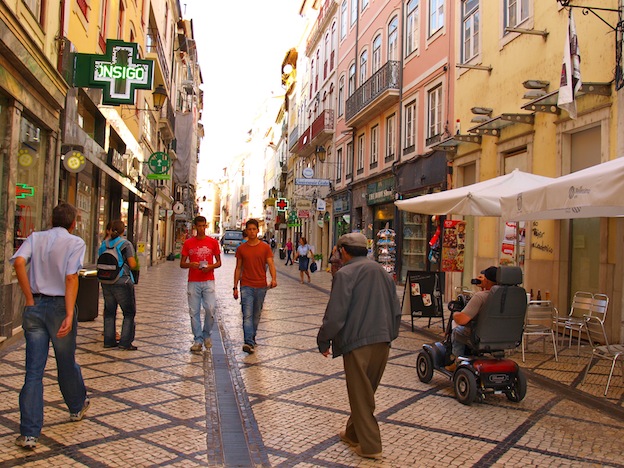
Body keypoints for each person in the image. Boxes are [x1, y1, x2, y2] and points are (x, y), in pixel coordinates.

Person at [10, 203, 90, 450]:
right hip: (58, 307)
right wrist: (68, 312)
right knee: (65, 361)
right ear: (73, 223)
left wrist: (29, 297)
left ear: (51, 219)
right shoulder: (75, 242)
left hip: (35, 308)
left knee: (33, 370)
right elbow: (71, 277)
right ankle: (76, 407)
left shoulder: (36, 237)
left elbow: (19, 262)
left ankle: (29, 433)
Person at [317, 233, 401, 460]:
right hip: (382, 340)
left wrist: (324, 339)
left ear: (344, 250)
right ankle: (353, 433)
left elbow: (336, 314)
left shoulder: (345, 273)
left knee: (360, 393)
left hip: (357, 342)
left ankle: (371, 445)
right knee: (366, 390)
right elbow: (396, 308)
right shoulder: (382, 273)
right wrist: (390, 334)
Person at [233, 219, 277, 354]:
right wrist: (235, 287)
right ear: (246, 231)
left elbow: (270, 264)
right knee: (247, 315)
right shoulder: (241, 248)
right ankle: (248, 342)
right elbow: (238, 268)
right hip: (246, 285)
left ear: (258, 231)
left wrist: (274, 279)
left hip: (261, 286)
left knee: (256, 315)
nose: (252, 232)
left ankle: (251, 337)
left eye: (254, 229)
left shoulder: (265, 247)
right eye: (249, 229)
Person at [180, 216, 222, 353]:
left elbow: (219, 262)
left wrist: (210, 267)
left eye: (204, 226)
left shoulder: (213, 242)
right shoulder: (188, 243)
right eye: (199, 226)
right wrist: (190, 264)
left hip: (208, 280)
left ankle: (206, 334)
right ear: (195, 227)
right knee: (194, 312)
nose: (202, 229)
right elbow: (182, 263)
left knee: (210, 309)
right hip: (193, 281)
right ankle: (197, 339)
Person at [446, 266, 498, 371]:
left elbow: (462, 320)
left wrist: (456, 314)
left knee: (456, 330)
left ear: (487, 280)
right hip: (505, 335)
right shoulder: (515, 296)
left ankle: (457, 360)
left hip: (481, 335)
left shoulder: (481, 297)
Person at [99, 219, 138, 350]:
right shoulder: (125, 244)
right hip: (122, 280)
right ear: (123, 230)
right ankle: (125, 342)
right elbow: (132, 264)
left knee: (109, 311)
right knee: (128, 312)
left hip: (106, 281)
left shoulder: (103, 244)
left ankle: (108, 341)